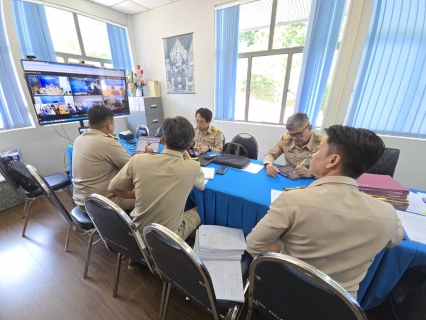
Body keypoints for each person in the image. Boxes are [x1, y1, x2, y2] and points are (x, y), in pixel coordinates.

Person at [246, 125, 404, 299]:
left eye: (318, 150)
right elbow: (394, 240)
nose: (314, 154)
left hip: (286, 294)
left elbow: (254, 245)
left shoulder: (292, 201)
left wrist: (278, 251)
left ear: (332, 160)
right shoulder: (388, 213)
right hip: (340, 306)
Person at [108, 116, 205, 240]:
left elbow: (112, 188)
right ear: (188, 146)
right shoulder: (193, 167)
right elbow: (201, 186)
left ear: (163, 140)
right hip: (168, 239)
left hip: (137, 234)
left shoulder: (138, 159)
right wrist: (188, 158)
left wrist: (139, 194)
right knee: (201, 209)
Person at [72, 105, 135, 212]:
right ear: (109, 125)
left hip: (82, 200)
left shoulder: (79, 139)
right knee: (150, 196)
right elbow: (133, 167)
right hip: (103, 203)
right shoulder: (108, 142)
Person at [264, 113, 324, 178]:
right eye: (291, 134)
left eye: (298, 134)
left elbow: (331, 173)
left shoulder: (322, 144)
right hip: (289, 177)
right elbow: (270, 154)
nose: (294, 138)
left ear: (309, 128)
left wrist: (311, 174)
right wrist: (269, 165)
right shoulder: (286, 140)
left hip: (310, 181)